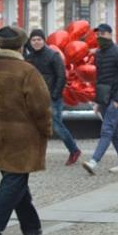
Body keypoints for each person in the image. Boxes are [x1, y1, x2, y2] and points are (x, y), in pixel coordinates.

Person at [0, 26, 52, 235]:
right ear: (21, 45)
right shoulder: (26, 71)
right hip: (23, 134)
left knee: (16, 178)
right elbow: (40, 105)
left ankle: (31, 226)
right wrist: (46, 129)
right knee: (14, 180)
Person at [25, 28, 81, 165]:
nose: (36, 42)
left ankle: (74, 150)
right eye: (33, 40)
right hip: (34, 96)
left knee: (56, 125)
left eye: (39, 39)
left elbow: (61, 76)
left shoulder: (53, 55)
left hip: (51, 97)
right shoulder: (29, 57)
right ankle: (36, 154)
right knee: (33, 126)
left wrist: (55, 94)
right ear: (30, 42)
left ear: (44, 41)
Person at [82, 23, 118, 175]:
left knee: (107, 128)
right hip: (104, 97)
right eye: (97, 34)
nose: (99, 37)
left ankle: (94, 161)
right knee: (114, 130)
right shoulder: (98, 54)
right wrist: (97, 101)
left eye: (102, 34)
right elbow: (99, 79)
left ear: (110, 34)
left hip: (116, 98)